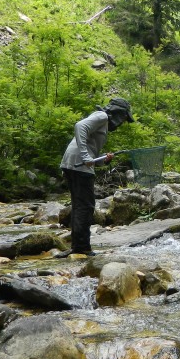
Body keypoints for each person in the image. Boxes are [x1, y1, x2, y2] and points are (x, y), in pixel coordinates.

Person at [59, 98, 134, 256]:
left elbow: (91, 155)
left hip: (72, 163)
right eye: (123, 119)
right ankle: (81, 247)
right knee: (86, 206)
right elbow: (79, 126)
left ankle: (77, 246)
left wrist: (102, 160)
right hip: (79, 165)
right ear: (117, 114)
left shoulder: (103, 122)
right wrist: (86, 156)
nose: (121, 124)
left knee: (79, 205)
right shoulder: (102, 116)